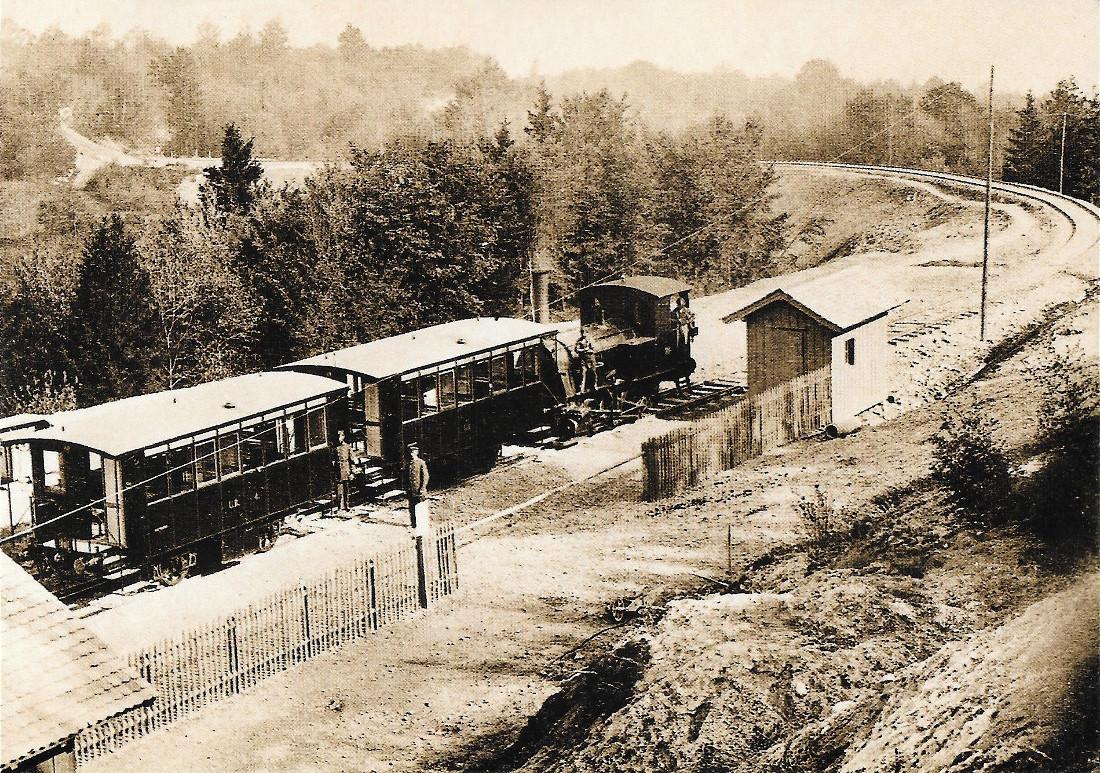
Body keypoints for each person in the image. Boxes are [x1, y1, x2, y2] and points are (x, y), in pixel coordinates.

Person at [404, 443, 430, 529]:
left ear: (416, 453)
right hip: (411, 490)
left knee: (420, 507)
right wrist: (406, 488)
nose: (411, 454)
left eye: (413, 452)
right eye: (410, 452)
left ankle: (422, 524)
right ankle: (414, 524)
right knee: (412, 508)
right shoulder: (409, 464)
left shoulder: (421, 462)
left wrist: (422, 488)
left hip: (419, 490)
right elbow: (407, 478)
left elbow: (425, 477)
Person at [334, 430, 354, 511]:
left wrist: (352, 471)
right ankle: (338, 506)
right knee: (339, 490)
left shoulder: (347, 447)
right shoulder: (335, 448)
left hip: (346, 469)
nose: (339, 438)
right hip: (338, 469)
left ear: (343, 437)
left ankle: (346, 505)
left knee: (346, 489)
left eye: (341, 436)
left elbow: (352, 459)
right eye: (338, 437)